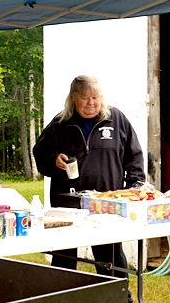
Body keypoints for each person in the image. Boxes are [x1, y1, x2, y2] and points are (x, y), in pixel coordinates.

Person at [33, 75, 145, 278]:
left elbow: (134, 155)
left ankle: (119, 297)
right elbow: (40, 153)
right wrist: (53, 160)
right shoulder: (60, 123)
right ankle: (63, 298)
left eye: (96, 97)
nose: (91, 103)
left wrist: (134, 187)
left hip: (105, 203)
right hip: (67, 203)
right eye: (85, 98)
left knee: (109, 253)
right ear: (73, 98)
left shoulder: (115, 119)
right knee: (65, 254)